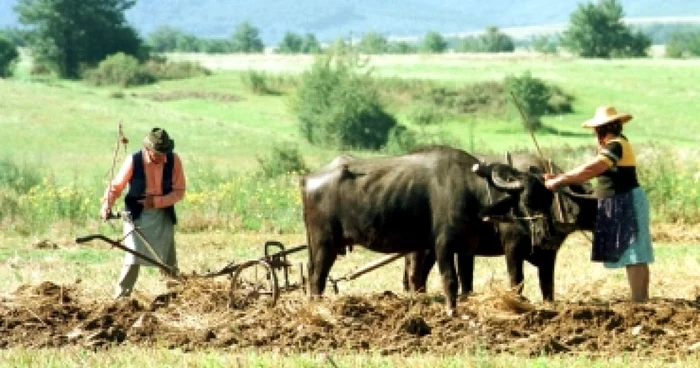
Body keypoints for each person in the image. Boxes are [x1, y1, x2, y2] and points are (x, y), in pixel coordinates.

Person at [544, 106, 654, 302]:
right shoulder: (616, 145)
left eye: (596, 130)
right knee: (635, 254)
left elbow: (592, 169)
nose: (595, 134)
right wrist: (562, 177)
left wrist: (561, 180)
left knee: (635, 253)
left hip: (625, 200)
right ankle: (641, 300)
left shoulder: (615, 146)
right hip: (620, 200)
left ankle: (639, 302)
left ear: (601, 130)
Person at [100, 127, 186, 299]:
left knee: (168, 258)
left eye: (164, 152)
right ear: (148, 149)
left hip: (163, 214)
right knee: (133, 256)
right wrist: (107, 205)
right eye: (157, 153)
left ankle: (175, 295)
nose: (161, 156)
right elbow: (116, 186)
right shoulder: (134, 160)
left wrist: (155, 202)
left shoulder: (174, 160)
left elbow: (179, 191)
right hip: (136, 215)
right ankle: (121, 298)